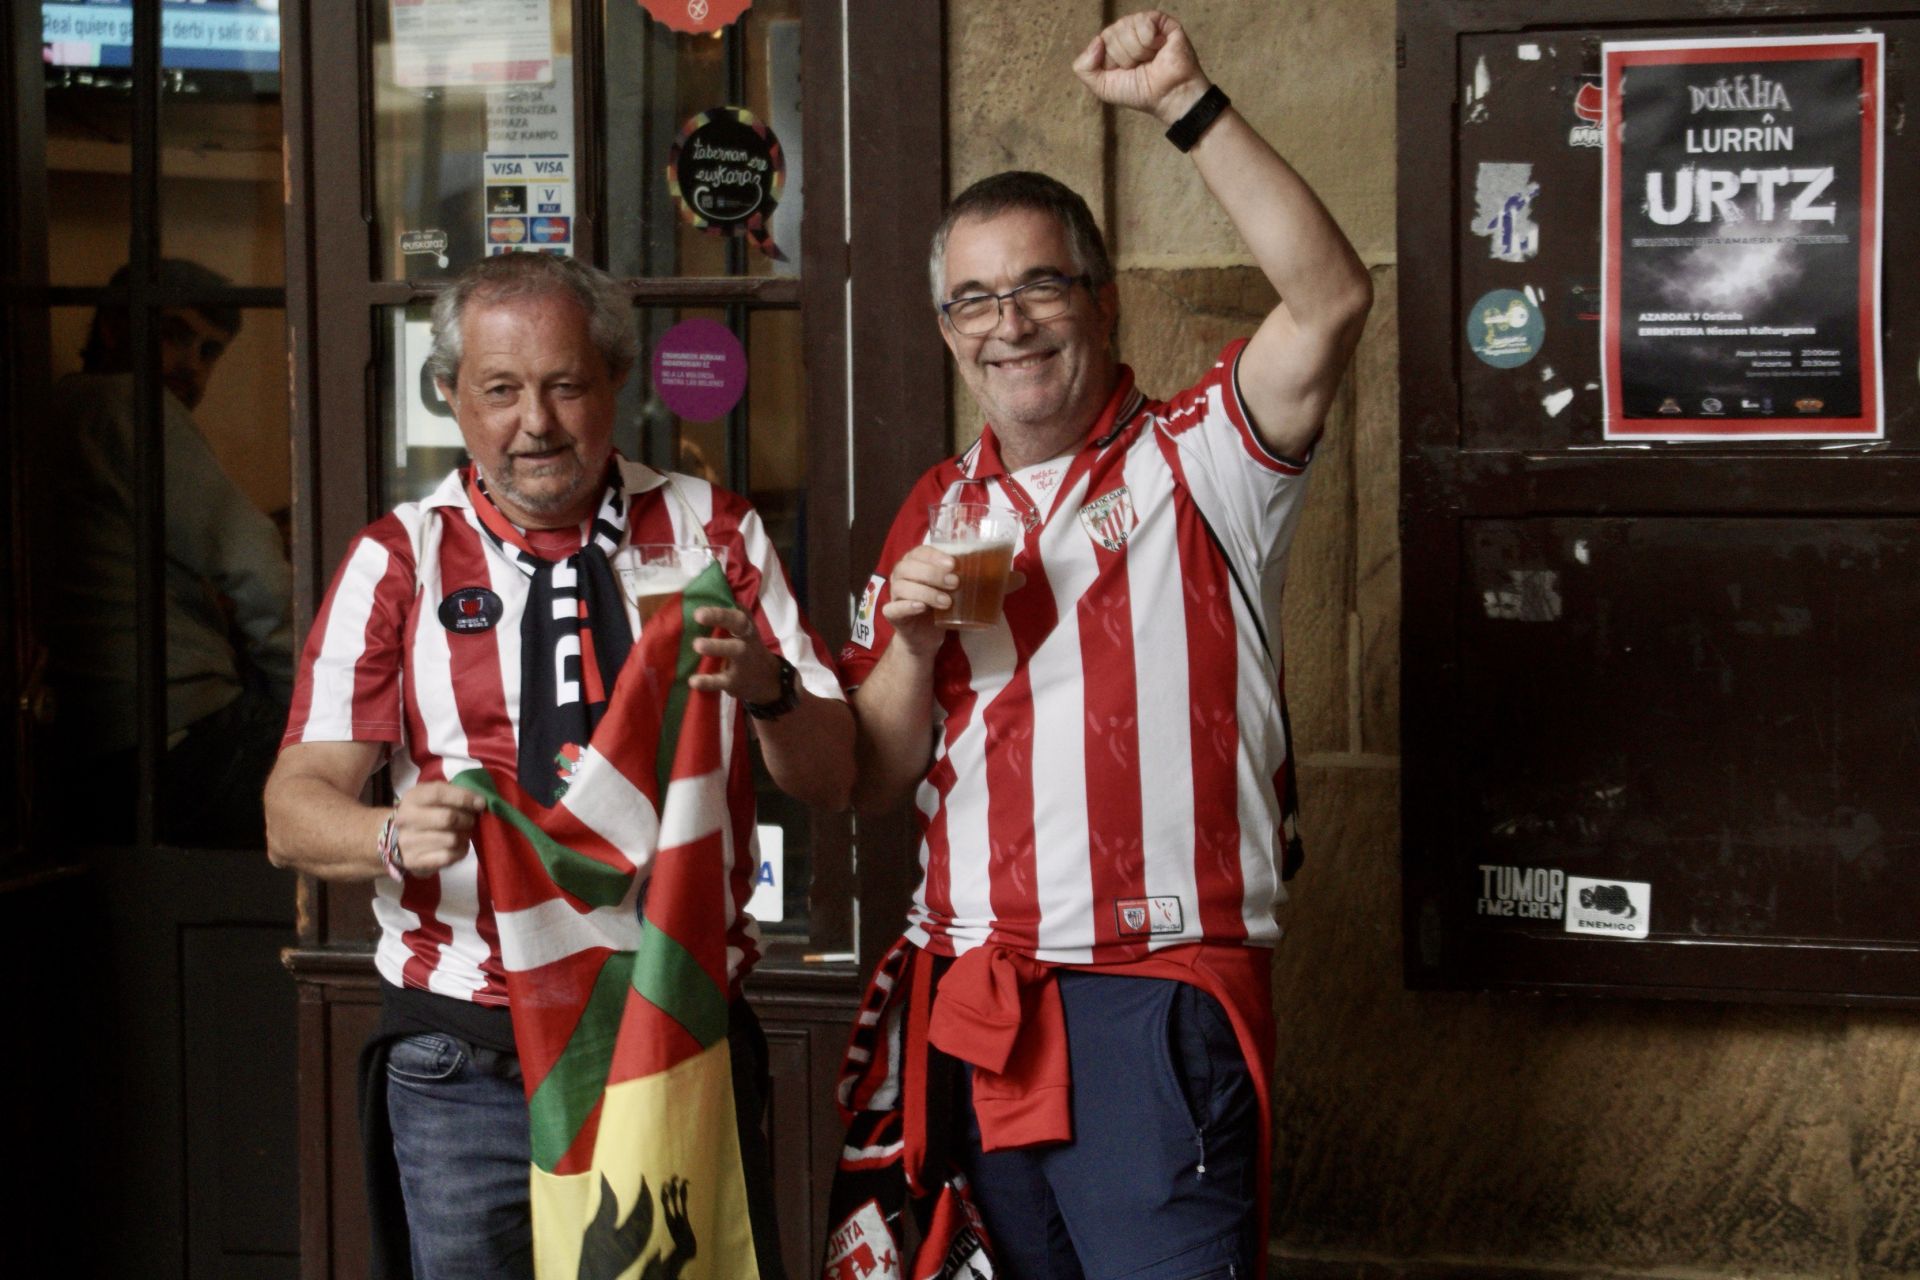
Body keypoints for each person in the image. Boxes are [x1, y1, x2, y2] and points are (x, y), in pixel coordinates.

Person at [835, 11, 1371, 1279]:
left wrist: (1185, 101)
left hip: (1151, 994)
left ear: (1101, 297)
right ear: (947, 326)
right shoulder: (934, 506)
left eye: (1038, 285)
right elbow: (873, 772)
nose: (1007, 323)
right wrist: (906, 648)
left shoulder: (1205, 458)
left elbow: (1333, 297)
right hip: (970, 993)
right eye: (973, 297)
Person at [263, 252, 852, 1280]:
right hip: (466, 1052)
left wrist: (767, 686)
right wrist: (388, 830)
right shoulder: (398, 557)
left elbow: (835, 773)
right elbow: (291, 811)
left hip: (672, 1028)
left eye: (565, 384)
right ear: (451, 396)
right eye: (499, 389)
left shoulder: (714, 530)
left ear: (616, 381)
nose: (533, 421)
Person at [39, 258, 294, 848]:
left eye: (209, 352)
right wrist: (307, 721)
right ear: (113, 327)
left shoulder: (68, 408)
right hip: (182, 743)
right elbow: (256, 569)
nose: (191, 366)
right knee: (388, 790)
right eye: (175, 335)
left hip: (108, 754)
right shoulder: (125, 403)